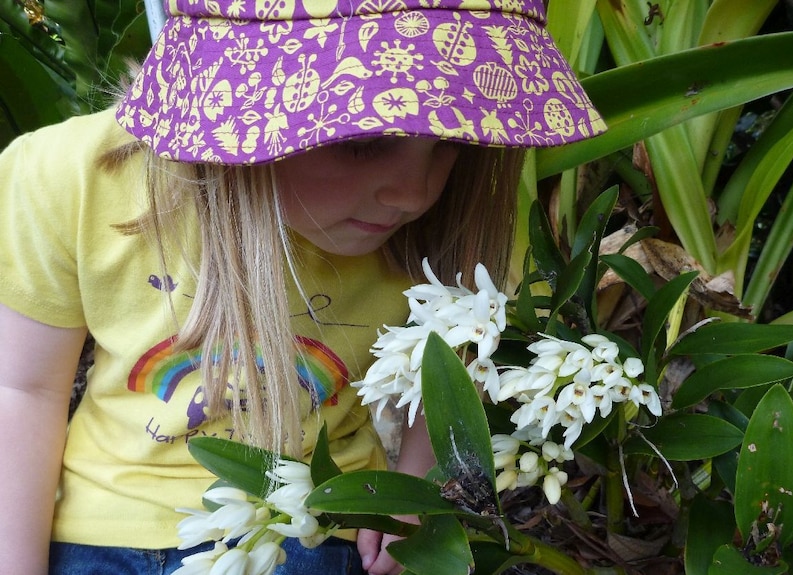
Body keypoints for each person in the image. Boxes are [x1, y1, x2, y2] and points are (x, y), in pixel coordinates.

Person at [0, 0, 606, 573]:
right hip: (102, 527)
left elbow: (456, 368)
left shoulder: (456, 222)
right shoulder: (75, 179)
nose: (415, 194)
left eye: (451, 144)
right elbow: (24, 389)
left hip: (316, 523)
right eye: (361, 142)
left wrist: (414, 496)